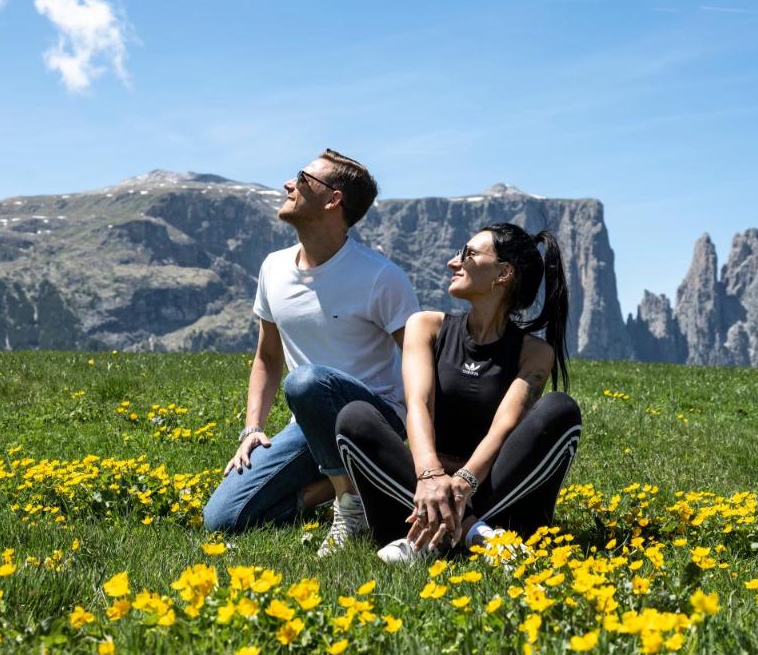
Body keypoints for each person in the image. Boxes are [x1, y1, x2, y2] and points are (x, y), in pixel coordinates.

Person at [202, 149, 420, 556]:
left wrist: (429, 458)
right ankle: (344, 488)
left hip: (375, 418)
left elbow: (419, 363)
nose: (288, 184)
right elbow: (267, 356)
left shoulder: (380, 277)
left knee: (306, 381)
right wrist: (252, 429)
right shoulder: (273, 268)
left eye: (302, 178)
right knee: (223, 519)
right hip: (310, 416)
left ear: (333, 199)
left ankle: (351, 505)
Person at [334, 223, 582, 562]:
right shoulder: (425, 326)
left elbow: (505, 427)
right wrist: (431, 476)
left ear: (503, 273)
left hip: (495, 497)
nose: (454, 262)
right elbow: (418, 403)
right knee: (354, 417)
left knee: (561, 409)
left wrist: (464, 483)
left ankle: (437, 539)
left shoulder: (534, 353)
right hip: (418, 494)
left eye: (468, 254)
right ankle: (473, 534)